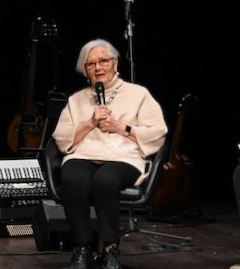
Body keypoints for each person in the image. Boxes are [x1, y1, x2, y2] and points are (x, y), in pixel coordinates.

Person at [52, 39, 167, 269]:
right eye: (91, 63)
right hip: (84, 155)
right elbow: (61, 136)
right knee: (72, 178)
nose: (98, 67)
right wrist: (90, 122)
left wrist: (121, 127)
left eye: (103, 61)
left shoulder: (138, 94)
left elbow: (157, 133)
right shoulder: (76, 100)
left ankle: (110, 250)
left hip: (123, 157)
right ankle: (82, 249)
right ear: (86, 69)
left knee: (106, 180)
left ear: (115, 64)